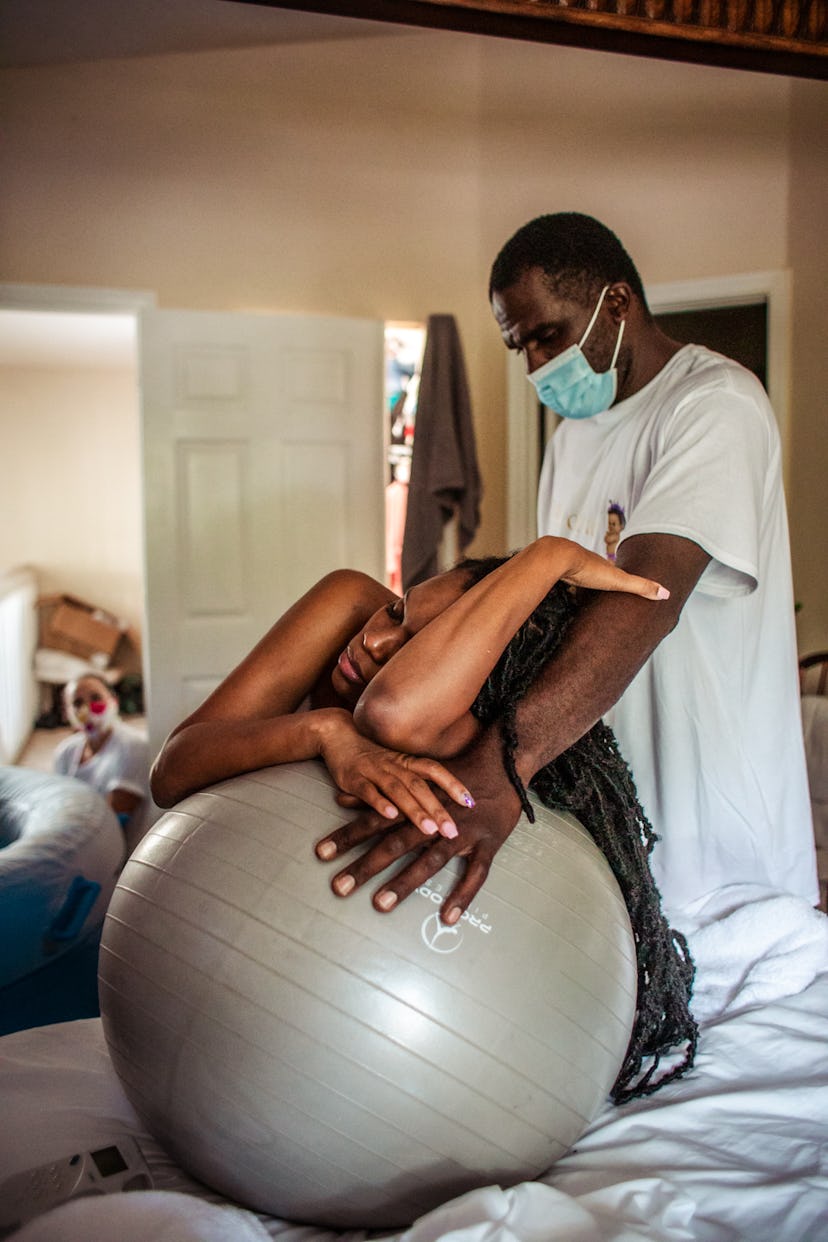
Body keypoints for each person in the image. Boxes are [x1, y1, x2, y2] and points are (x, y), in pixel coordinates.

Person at [318, 211, 817, 933]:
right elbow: (552, 605)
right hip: (618, 813)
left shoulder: (714, 405)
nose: (535, 367)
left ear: (617, 303)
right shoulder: (573, 438)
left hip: (719, 832)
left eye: (548, 335)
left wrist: (503, 765)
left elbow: (646, 596)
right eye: (519, 346)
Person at [151, 537, 694, 1100]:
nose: (375, 640)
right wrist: (323, 731)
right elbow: (171, 773)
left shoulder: (463, 732)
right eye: (398, 610)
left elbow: (392, 714)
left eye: (410, 646)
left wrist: (549, 557)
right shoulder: (348, 605)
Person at [53, 673, 154, 853]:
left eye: (95, 697)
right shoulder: (65, 752)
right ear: (67, 713)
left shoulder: (133, 747)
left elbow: (113, 822)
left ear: (113, 701)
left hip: (114, 855)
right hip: (76, 845)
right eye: (77, 703)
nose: (88, 708)